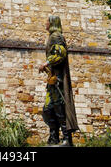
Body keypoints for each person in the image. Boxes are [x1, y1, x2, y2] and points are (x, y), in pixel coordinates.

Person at [39, 15, 79, 146]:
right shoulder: (52, 37)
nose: (45, 23)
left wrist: (46, 62)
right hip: (52, 79)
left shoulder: (56, 36)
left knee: (59, 108)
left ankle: (67, 139)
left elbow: (61, 53)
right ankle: (54, 137)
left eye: (47, 21)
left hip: (58, 80)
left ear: (52, 23)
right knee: (48, 109)